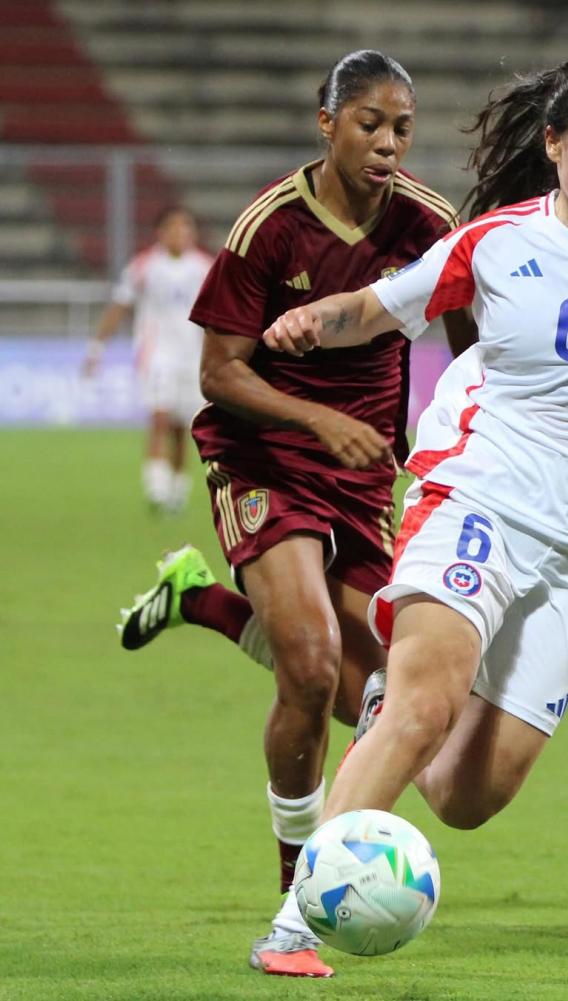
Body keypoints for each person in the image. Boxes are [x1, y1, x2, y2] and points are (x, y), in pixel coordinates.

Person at [263, 59, 568, 924]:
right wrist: (316, 318)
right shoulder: (495, 241)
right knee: (426, 705)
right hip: (478, 496)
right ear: (556, 142)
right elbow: (379, 308)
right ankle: (297, 919)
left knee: (465, 796)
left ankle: (373, 702)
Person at [117, 50, 474, 978]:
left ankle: (199, 601)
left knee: (380, 699)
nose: (389, 143)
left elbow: (479, 344)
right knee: (312, 665)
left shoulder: (434, 226)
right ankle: (299, 904)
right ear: (327, 124)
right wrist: (322, 418)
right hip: (262, 454)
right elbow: (219, 373)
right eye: (369, 124)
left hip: (365, 478)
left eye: (402, 127)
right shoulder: (269, 227)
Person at [82, 207, 213, 514]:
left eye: (186, 227)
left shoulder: (206, 267)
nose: (181, 233)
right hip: (158, 355)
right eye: (174, 228)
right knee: (159, 416)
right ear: (161, 232)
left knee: (184, 426)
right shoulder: (144, 266)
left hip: (193, 357)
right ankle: (156, 485)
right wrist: (96, 349)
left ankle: (178, 489)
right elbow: (119, 306)